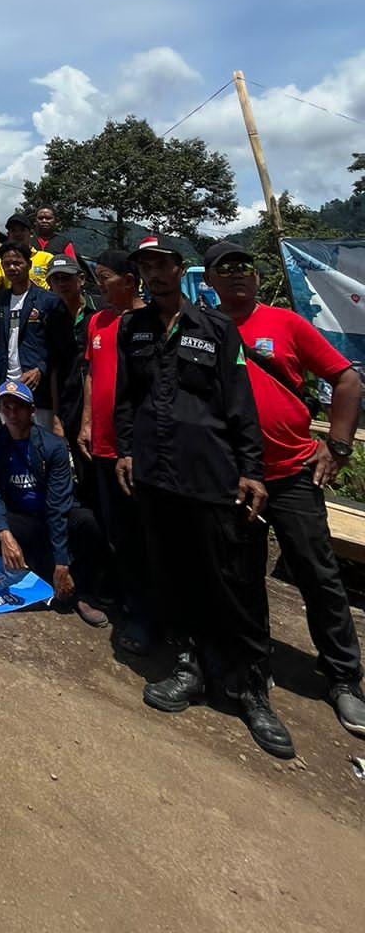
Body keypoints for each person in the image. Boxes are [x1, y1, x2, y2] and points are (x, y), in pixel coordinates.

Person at [115, 237, 293, 760]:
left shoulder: (217, 330)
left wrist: (251, 471)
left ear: (178, 269)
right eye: (145, 265)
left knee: (234, 582)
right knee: (173, 573)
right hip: (155, 476)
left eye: (162, 264)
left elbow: (240, 404)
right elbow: (128, 396)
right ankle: (188, 666)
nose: (154, 273)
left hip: (213, 477)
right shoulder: (134, 327)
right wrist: (126, 450)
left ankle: (251, 690)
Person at [204, 241, 365, 736]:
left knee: (318, 574)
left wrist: (336, 446)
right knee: (243, 574)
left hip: (293, 471)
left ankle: (343, 678)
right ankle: (255, 665)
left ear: (256, 277)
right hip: (232, 477)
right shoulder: (203, 329)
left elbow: (347, 380)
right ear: (209, 281)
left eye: (245, 268)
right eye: (225, 270)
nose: (237, 277)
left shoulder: (286, 323)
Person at [0, 379, 108, 626]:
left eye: (18, 407)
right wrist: (5, 535)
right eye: (5, 406)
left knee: (89, 523)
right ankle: (37, 560)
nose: (11, 413)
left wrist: (62, 563)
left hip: (50, 515)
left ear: (31, 410)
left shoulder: (53, 446)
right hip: (22, 518)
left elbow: (58, 506)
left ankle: (80, 588)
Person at [78, 249, 154, 653]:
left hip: (139, 450)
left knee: (142, 533)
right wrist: (87, 422)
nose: (98, 285)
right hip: (103, 446)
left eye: (104, 277)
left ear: (129, 279)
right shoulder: (97, 321)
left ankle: (146, 612)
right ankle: (125, 598)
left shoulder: (150, 322)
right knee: (113, 529)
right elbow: (91, 373)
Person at [0, 243, 57, 430]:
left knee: (42, 443)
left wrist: (40, 369)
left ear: (29, 264)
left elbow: (57, 346)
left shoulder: (47, 300)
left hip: (37, 388)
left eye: (17, 263)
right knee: (13, 444)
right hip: (6, 385)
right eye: (6, 264)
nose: (12, 268)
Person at [44, 255, 90, 445]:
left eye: (67, 278)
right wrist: (56, 416)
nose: (62, 284)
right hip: (70, 404)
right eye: (56, 279)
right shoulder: (51, 320)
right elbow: (53, 370)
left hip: (103, 405)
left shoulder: (101, 311)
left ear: (81, 279)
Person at [0, 216, 53, 291]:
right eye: (13, 230)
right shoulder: (1, 263)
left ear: (31, 233)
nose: (17, 234)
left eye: (22, 230)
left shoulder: (47, 258)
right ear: (8, 235)